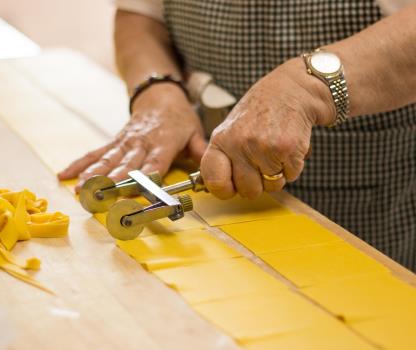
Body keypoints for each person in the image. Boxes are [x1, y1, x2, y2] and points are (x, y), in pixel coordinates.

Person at [58, 0, 416, 270]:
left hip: (370, 210)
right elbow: (139, 14)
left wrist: (306, 88)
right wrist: (158, 90)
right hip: (207, 197)